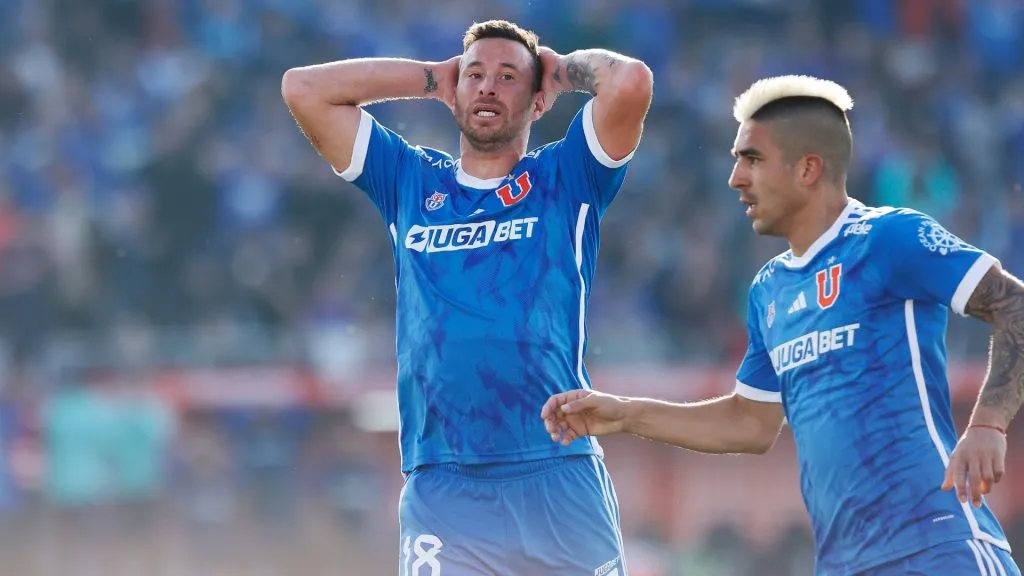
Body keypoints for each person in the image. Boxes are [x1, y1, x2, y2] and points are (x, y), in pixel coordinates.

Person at [541, 75, 1023, 575]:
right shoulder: (770, 289)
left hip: (939, 549)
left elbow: (1015, 305)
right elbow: (750, 423)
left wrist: (988, 423)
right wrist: (625, 414)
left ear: (808, 168)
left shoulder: (889, 238)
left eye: (752, 159)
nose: (735, 178)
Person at [282, 19, 653, 575]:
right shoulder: (409, 180)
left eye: (508, 77)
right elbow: (303, 89)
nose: (487, 87)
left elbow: (630, 81)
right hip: (445, 484)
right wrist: (434, 78)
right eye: (474, 75)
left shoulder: (566, 177)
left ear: (537, 100)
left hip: (556, 470)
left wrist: (559, 71)